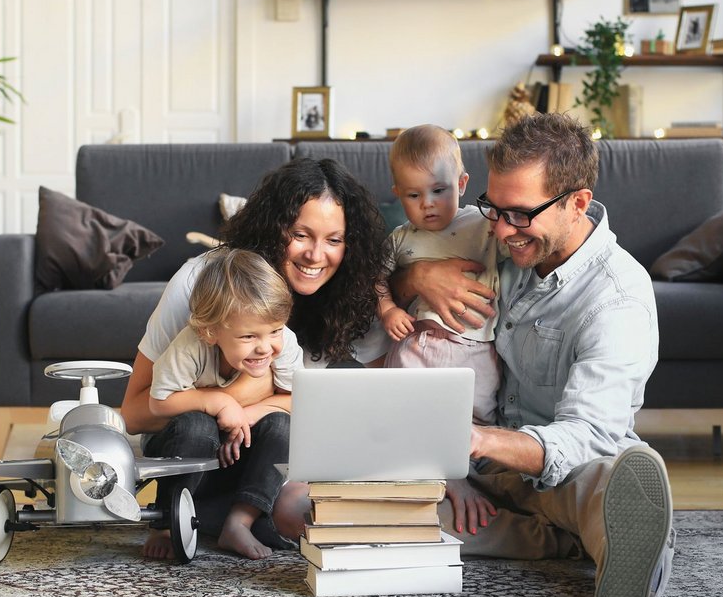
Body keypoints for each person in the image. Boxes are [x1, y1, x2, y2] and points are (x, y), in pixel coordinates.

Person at [392, 112, 675, 597]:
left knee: (601, 480)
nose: (500, 229)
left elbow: (585, 434)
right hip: (482, 475)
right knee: (374, 516)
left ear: (578, 203)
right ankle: (567, 543)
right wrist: (417, 275)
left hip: (568, 463)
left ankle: (617, 536)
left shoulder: (618, 300)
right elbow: (404, 258)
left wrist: (475, 439)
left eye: (519, 214)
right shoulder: (500, 243)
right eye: (493, 209)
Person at [122, 156, 390, 557]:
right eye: (301, 234)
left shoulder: (349, 299)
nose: (317, 255)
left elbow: (326, 412)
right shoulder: (203, 285)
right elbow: (133, 412)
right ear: (273, 227)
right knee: (199, 428)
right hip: (192, 449)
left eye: (334, 240)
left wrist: (253, 409)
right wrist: (224, 400)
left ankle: (233, 519)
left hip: (266, 459)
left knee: (321, 518)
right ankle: (178, 517)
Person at [147, 247, 304, 560]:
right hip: (186, 452)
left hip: (237, 454)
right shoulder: (191, 345)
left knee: (283, 425)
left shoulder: (283, 342)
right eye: (248, 337)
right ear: (210, 331)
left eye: (273, 330)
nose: (265, 347)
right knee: (197, 424)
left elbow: (298, 400)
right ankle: (165, 523)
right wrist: (218, 401)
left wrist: (246, 414)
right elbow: (158, 403)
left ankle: (239, 521)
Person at [378, 124, 503, 426]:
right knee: (399, 415)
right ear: (398, 194)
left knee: (477, 422)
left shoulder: (483, 224)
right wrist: (388, 309)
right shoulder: (400, 238)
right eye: (413, 194)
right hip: (418, 342)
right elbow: (375, 276)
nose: (428, 203)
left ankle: (479, 468)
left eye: (438, 190)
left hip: (475, 347)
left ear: (461, 184)